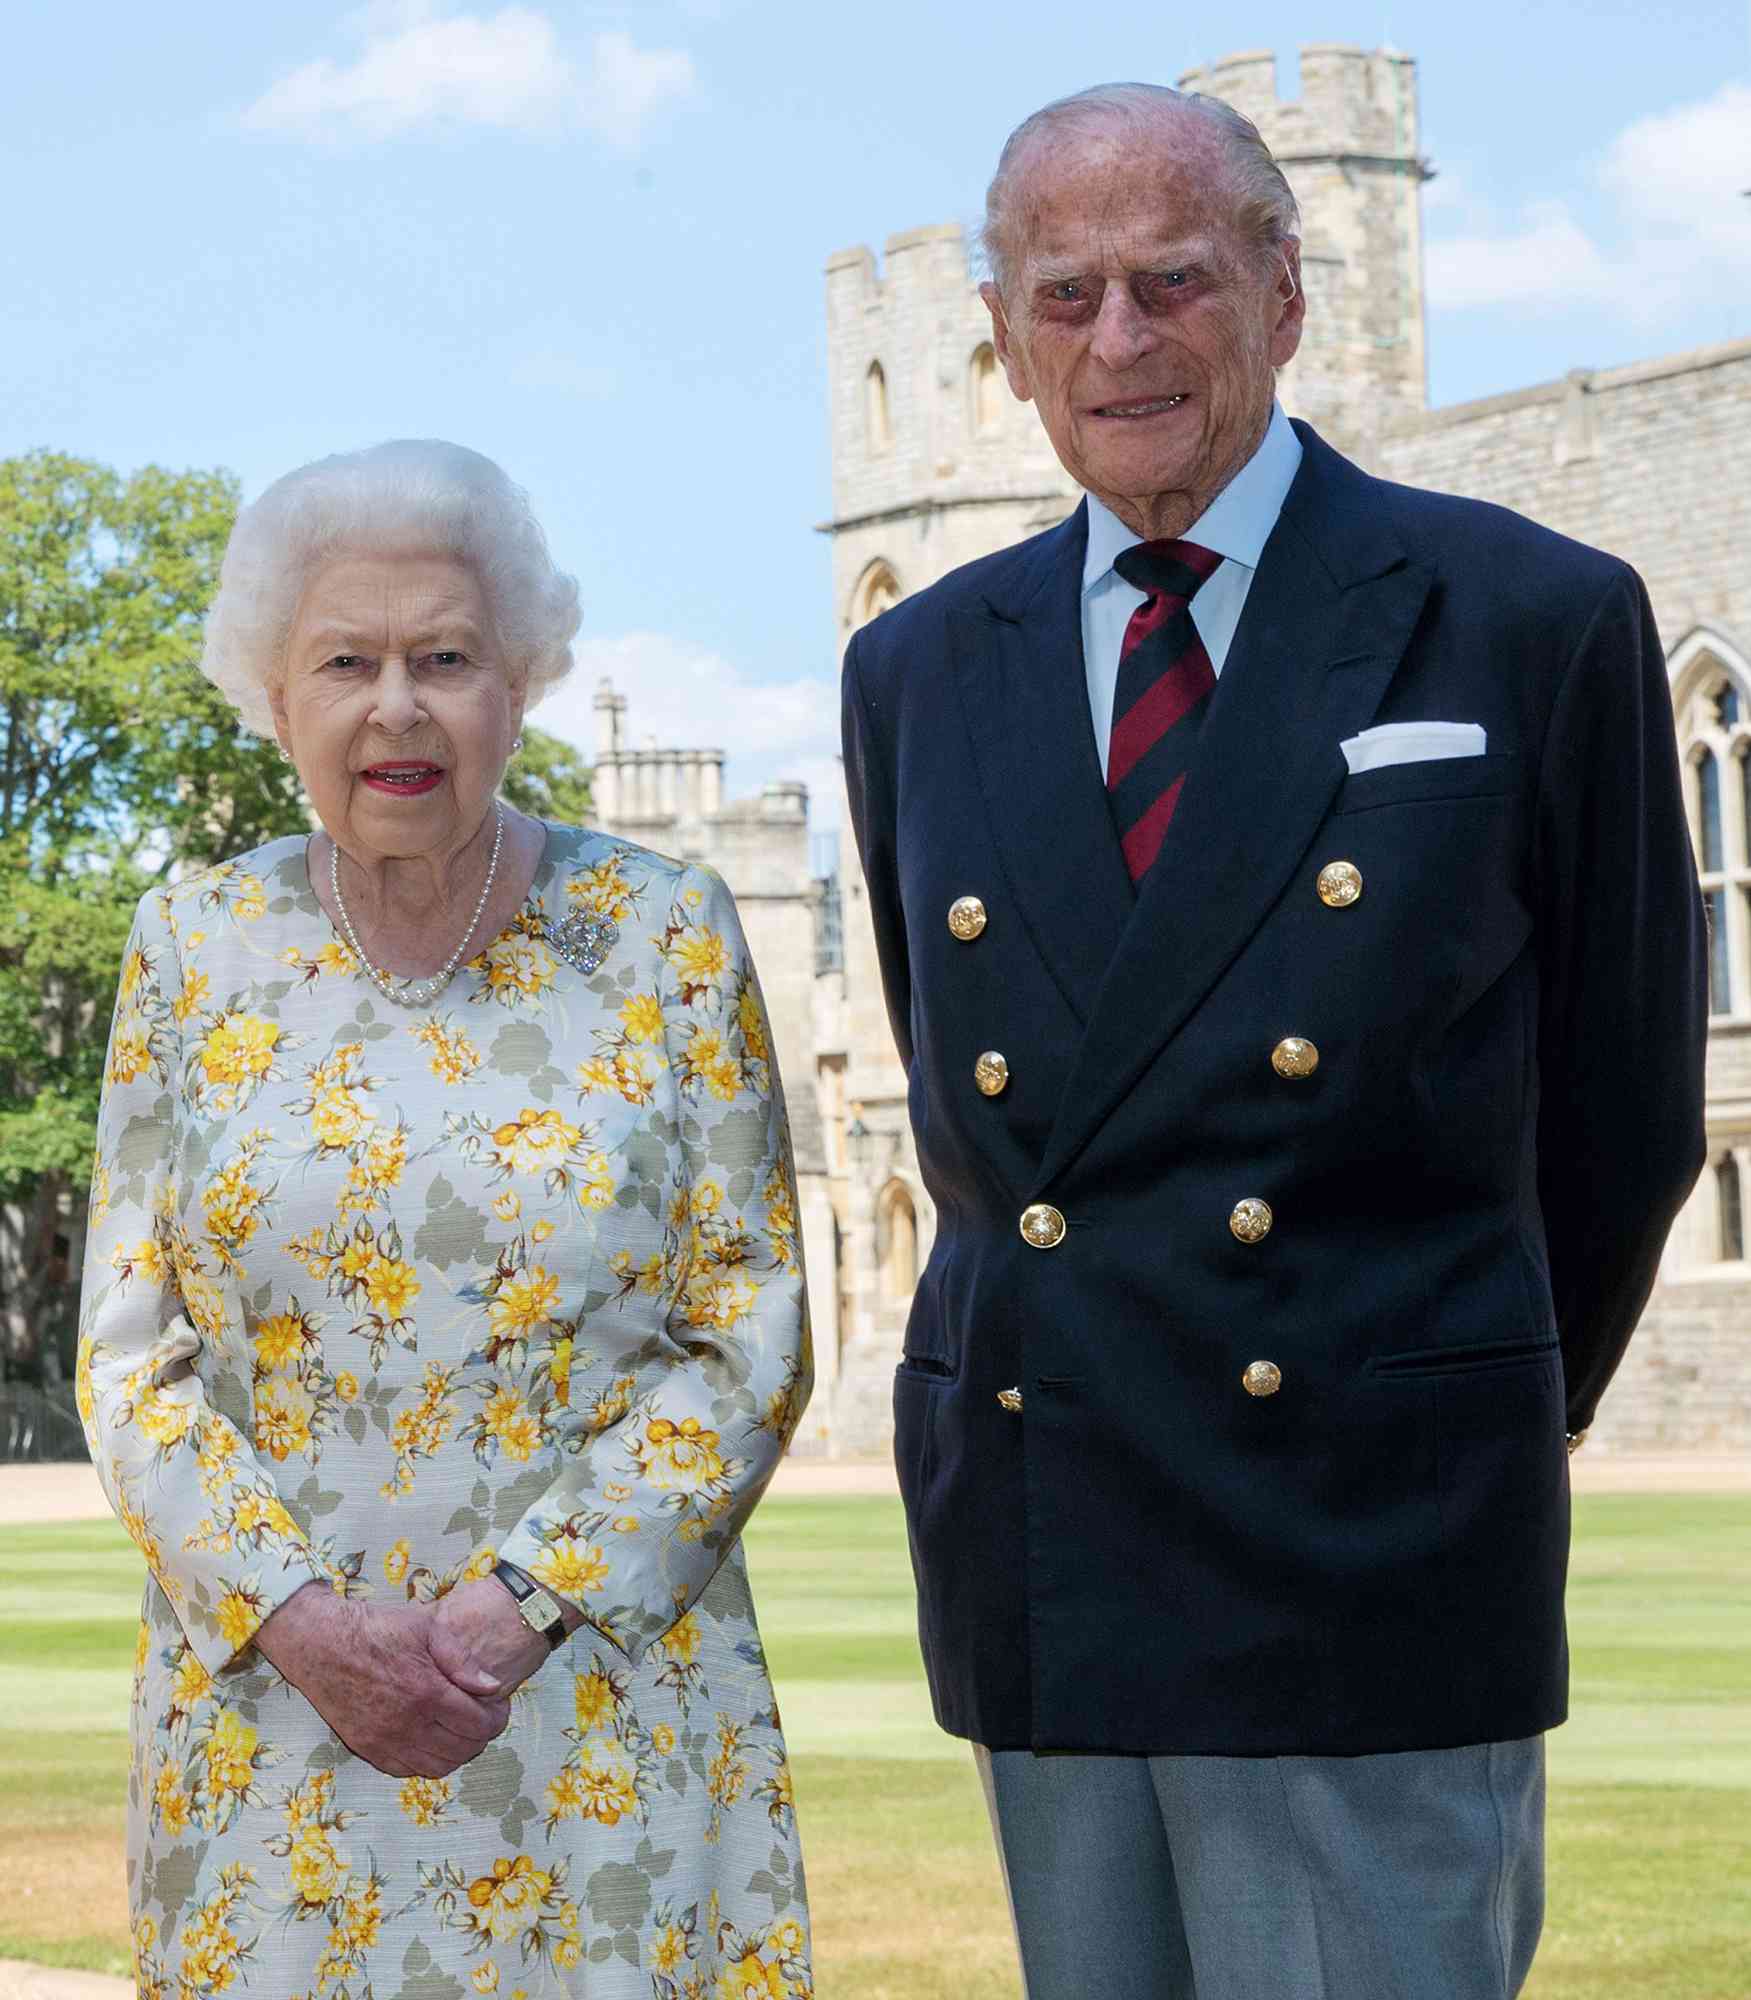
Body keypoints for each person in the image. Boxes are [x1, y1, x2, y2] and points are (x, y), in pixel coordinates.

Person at [840, 82, 1706, 2000]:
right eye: (1064, 297)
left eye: (1175, 281)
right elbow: (974, 1095)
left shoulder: (1525, 617)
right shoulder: (916, 665)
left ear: (1288, 297)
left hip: (1370, 1539)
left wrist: (1431, 1391)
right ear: (1001, 342)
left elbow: (1631, 1112)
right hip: (1053, 1540)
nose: (1121, 340)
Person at [78, 439, 813, 2000]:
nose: (397, 706)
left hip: (599, 1716)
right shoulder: (191, 945)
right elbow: (132, 1354)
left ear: (522, 685)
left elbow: (748, 1328)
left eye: (448, 658)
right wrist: (306, 1628)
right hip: (276, 1732)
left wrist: (521, 1606)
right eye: (346, 660)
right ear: (274, 696)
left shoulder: (667, 932)